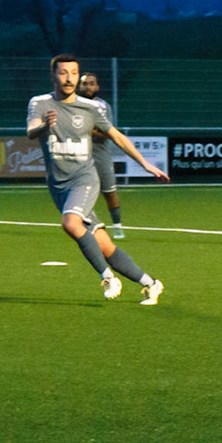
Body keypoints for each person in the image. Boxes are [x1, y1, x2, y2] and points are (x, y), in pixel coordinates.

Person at [26, 54, 169, 304]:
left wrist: (145, 163)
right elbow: (30, 132)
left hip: (85, 178)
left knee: (71, 223)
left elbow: (117, 136)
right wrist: (44, 126)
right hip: (58, 185)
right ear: (53, 75)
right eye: (63, 72)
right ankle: (151, 284)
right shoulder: (39, 103)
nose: (69, 78)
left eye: (73, 73)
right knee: (104, 246)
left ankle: (107, 277)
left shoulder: (90, 108)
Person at [75, 71, 125, 239]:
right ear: (79, 86)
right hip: (79, 155)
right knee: (80, 193)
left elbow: (107, 133)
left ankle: (117, 226)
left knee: (109, 192)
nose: (88, 87)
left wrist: (88, 130)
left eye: (91, 83)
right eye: (84, 84)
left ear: (97, 87)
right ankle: (88, 225)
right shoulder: (72, 104)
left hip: (100, 155)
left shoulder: (102, 106)